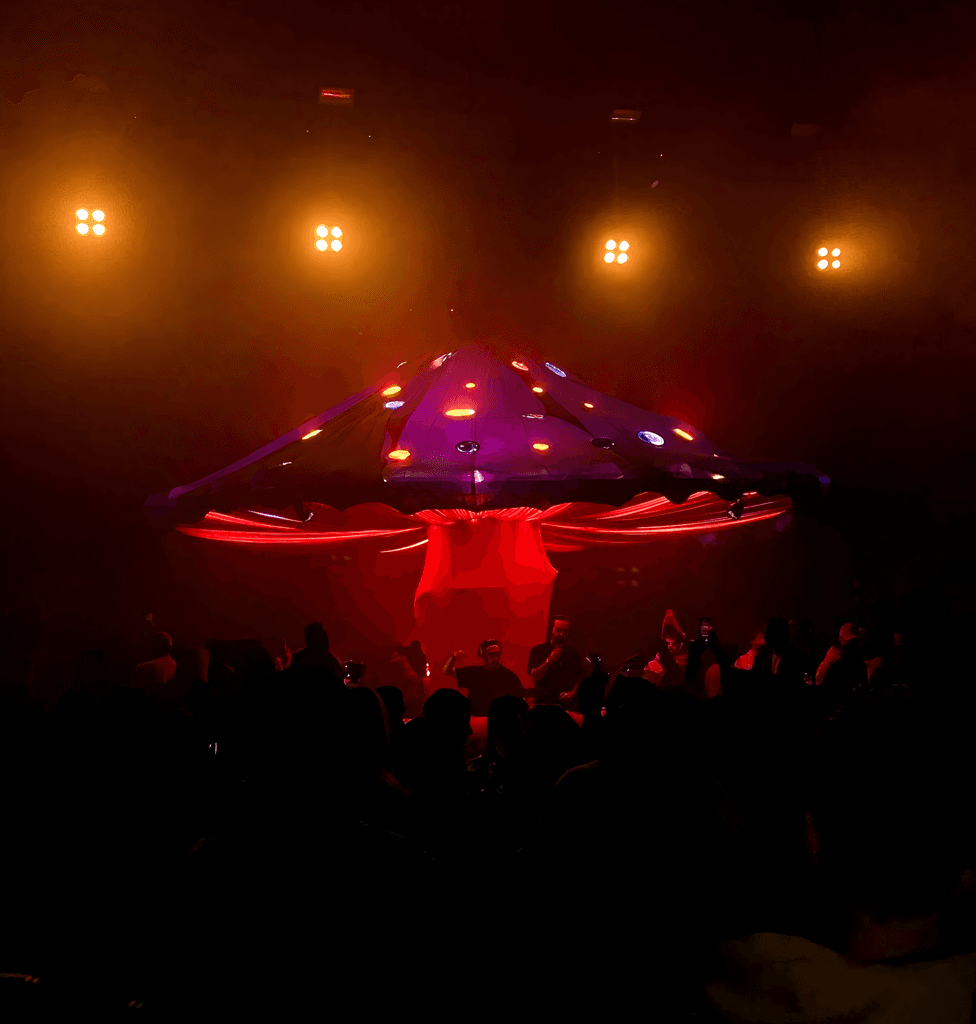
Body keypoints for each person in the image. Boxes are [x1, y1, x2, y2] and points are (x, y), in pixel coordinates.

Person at [443, 639, 524, 716]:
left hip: (500, 719)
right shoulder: (474, 672)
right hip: (476, 719)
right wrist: (453, 657)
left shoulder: (509, 675)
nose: (495, 658)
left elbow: (520, 697)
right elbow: (447, 671)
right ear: (483, 656)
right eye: (491, 655)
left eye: (497, 655)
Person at [527, 616, 585, 706]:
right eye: (558, 630)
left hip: (564, 704)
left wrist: (572, 693)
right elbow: (534, 678)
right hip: (542, 702)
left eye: (565, 631)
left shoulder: (573, 653)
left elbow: (580, 678)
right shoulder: (538, 650)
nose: (561, 634)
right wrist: (550, 659)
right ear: (552, 629)